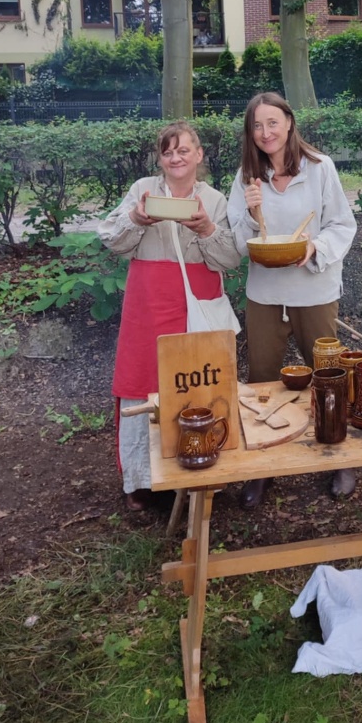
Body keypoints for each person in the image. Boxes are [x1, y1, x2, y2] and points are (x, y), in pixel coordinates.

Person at [99, 121, 242, 511]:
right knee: (141, 380)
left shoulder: (214, 200)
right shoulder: (142, 191)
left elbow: (230, 258)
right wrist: (137, 219)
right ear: (159, 159)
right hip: (147, 301)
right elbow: (111, 239)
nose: (175, 158)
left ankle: (201, 467)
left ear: (199, 155)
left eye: (183, 150)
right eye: (167, 152)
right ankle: (142, 480)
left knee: (198, 380)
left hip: (197, 300)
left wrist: (207, 228)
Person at [227, 92, 357, 510]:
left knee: (328, 374)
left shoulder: (320, 168)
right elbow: (237, 240)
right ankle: (263, 467)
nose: (265, 132)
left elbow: (342, 224)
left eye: (272, 122)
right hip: (265, 293)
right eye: (257, 125)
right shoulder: (248, 176)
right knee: (262, 379)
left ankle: (339, 456)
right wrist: (251, 214)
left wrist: (315, 247)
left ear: (288, 122)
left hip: (313, 290)